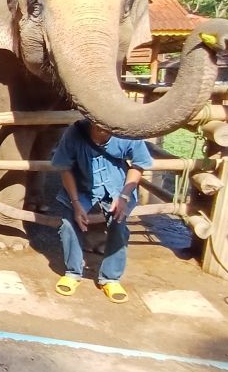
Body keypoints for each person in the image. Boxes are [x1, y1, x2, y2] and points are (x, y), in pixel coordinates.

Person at [49, 118, 152, 303]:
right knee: (68, 224)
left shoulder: (127, 130)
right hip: (82, 188)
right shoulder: (75, 133)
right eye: (100, 130)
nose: (105, 133)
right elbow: (65, 168)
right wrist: (75, 202)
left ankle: (111, 278)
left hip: (117, 187)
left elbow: (139, 164)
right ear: (92, 124)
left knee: (119, 225)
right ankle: (73, 273)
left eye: (109, 131)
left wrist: (124, 196)